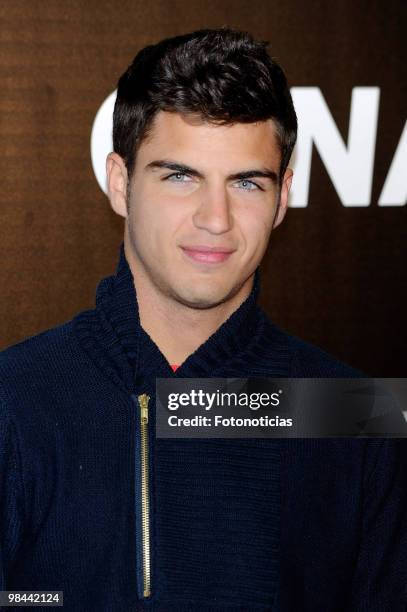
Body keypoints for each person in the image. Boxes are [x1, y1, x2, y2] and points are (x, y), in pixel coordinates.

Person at [0, 28, 406, 612]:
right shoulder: (16, 399)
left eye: (246, 183)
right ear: (120, 183)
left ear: (283, 196)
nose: (216, 219)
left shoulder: (358, 414)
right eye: (180, 176)